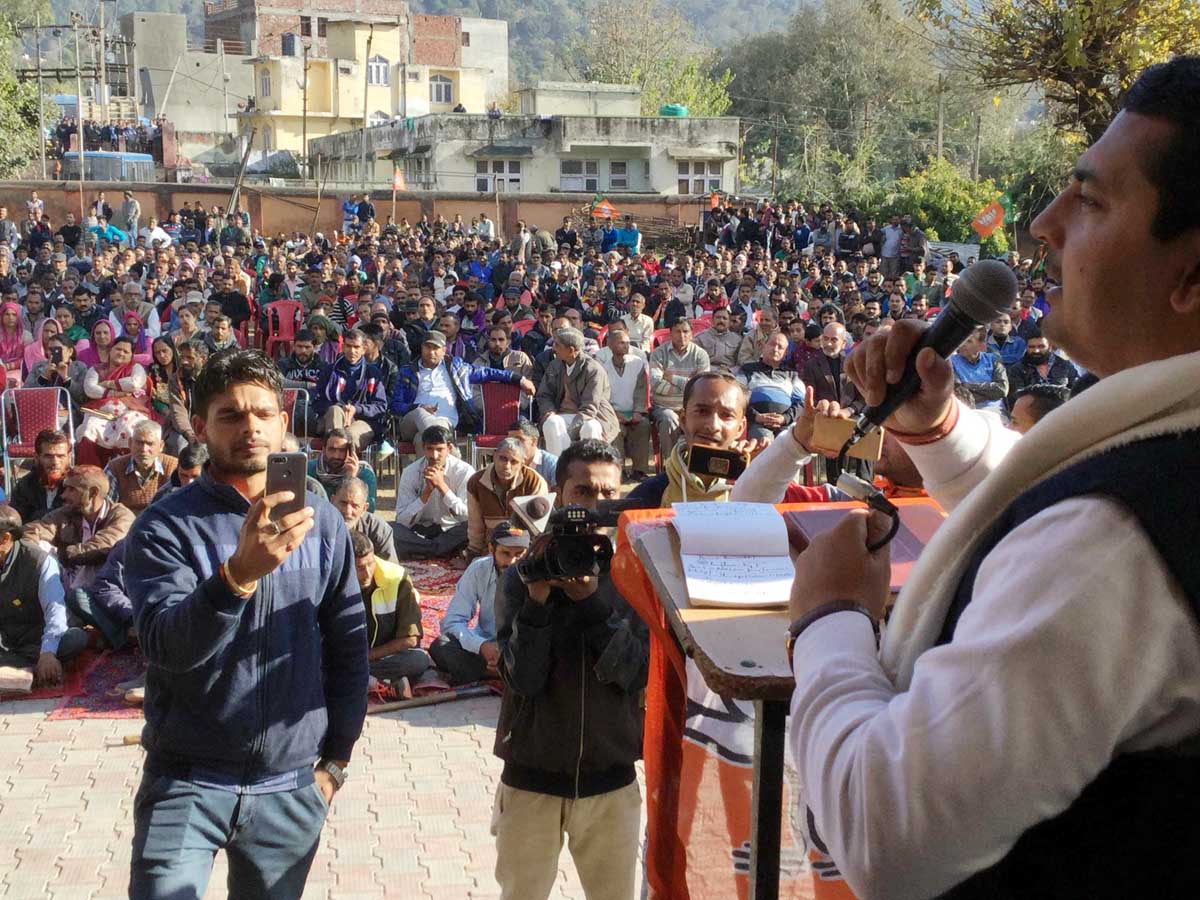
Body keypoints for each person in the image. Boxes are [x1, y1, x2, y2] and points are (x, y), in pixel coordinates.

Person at [786, 57, 1200, 899]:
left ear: (1190, 275)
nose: (1045, 225)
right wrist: (934, 430)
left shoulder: (1114, 543)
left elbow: (884, 830)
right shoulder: (1152, 471)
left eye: (1090, 201)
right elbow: (1043, 505)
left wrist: (830, 622)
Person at [123, 348, 367, 899]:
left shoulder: (322, 523)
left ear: (284, 423)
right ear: (203, 425)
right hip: (186, 780)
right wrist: (236, 576)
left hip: (291, 786)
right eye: (230, 415)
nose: (249, 428)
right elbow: (166, 646)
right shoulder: (166, 527)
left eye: (262, 413)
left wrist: (336, 762)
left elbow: (347, 651)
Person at [491, 439, 648, 900]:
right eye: (582, 492)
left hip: (611, 779)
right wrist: (539, 598)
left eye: (606, 493)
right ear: (559, 494)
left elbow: (636, 674)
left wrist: (592, 603)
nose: (595, 504)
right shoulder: (522, 575)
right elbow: (520, 680)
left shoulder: (634, 574)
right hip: (530, 777)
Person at [391, 331, 534, 455]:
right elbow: (395, 405)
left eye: (436, 348)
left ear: (444, 350)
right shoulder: (407, 371)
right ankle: (452, 454)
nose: (431, 352)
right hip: (411, 422)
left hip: (445, 422)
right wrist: (418, 406)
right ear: (422, 348)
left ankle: (429, 483)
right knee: (421, 413)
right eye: (427, 347)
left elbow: (488, 373)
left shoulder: (457, 369)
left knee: (421, 440)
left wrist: (519, 379)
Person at [430, 521, 529, 685]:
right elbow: (452, 621)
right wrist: (481, 646)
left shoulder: (535, 575)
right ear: (491, 550)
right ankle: (498, 673)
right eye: (505, 553)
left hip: (522, 647)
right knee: (441, 645)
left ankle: (487, 672)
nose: (512, 562)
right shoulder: (478, 569)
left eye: (519, 555)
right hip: (486, 647)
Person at [0, 504, 87, 686]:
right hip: (6, 637)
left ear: (5, 538)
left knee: (74, 639)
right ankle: (21, 667)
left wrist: (47, 652)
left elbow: (54, 610)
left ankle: (30, 664)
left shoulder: (38, 561)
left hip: (37, 636)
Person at [25, 465, 134, 591]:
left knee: (96, 563)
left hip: (105, 587)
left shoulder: (121, 516)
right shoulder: (66, 513)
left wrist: (60, 553)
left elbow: (102, 547)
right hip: (65, 581)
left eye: (72, 490)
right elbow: (33, 531)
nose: (63, 495)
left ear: (93, 492)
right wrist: (37, 548)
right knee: (39, 547)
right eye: (65, 488)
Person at [351, 530, 430, 694]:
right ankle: (380, 683)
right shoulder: (330, 579)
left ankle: (364, 680)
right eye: (359, 568)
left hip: (381, 655)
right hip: (344, 656)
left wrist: (366, 657)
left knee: (418, 660)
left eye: (370, 564)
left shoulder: (396, 578)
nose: (367, 573)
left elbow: (409, 639)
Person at [536, 327, 621, 457]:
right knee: (552, 423)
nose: (553, 348)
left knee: (590, 428)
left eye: (557, 345)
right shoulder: (555, 365)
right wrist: (549, 411)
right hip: (562, 414)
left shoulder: (593, 370)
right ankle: (559, 471)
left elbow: (589, 408)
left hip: (593, 416)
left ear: (571, 350)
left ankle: (589, 471)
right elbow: (544, 395)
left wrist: (570, 432)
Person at [393, 424, 474, 559]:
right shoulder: (411, 472)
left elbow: (467, 517)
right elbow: (402, 520)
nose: (434, 455)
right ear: (423, 448)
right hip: (420, 531)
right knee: (390, 530)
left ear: (449, 448)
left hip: (450, 530)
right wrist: (426, 493)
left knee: (470, 529)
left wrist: (442, 487)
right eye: (430, 449)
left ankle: (424, 551)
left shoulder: (464, 471)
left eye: (439, 449)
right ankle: (439, 551)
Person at [465, 437, 548, 559]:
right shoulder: (476, 482)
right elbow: (475, 526)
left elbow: (537, 529)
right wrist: (473, 554)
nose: (506, 466)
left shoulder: (534, 481)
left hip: (523, 549)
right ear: (494, 456)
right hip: (491, 548)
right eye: (502, 459)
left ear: (522, 463)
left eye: (513, 462)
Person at [312, 328, 388, 451]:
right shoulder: (329, 370)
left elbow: (380, 407)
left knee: (350, 436)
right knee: (335, 411)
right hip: (331, 419)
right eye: (348, 346)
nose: (352, 351)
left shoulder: (373, 373)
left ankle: (342, 465)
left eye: (356, 347)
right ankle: (333, 461)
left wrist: (355, 410)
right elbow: (316, 403)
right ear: (343, 347)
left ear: (364, 349)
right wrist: (343, 409)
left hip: (362, 421)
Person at [648, 319, 711, 458]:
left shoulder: (700, 355)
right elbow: (656, 385)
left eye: (685, 331)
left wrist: (672, 378)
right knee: (668, 419)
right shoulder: (659, 353)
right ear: (670, 333)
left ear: (692, 334)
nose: (681, 335)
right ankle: (670, 467)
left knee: (704, 420)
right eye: (677, 331)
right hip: (663, 407)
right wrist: (689, 384)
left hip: (691, 408)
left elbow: (701, 388)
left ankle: (694, 466)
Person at [599, 328, 652, 478]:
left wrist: (638, 411)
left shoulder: (638, 363)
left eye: (628, 343)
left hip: (634, 411)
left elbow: (641, 391)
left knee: (643, 425)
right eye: (621, 343)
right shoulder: (603, 369)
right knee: (614, 429)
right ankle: (618, 471)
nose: (626, 346)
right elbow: (602, 397)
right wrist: (615, 415)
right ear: (610, 344)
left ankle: (640, 470)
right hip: (614, 413)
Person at [736, 332, 806, 440]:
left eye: (780, 347)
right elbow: (738, 397)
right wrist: (756, 416)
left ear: (785, 353)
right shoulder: (747, 370)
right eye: (772, 344)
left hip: (785, 425)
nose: (775, 349)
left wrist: (784, 418)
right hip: (756, 423)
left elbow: (801, 402)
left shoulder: (792, 375)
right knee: (765, 442)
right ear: (764, 346)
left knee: (787, 446)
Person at [103, 421, 179, 515]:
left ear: (161, 446)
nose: (143, 449)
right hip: (126, 525)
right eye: (139, 443)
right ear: (130, 443)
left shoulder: (174, 467)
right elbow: (106, 510)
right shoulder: (115, 468)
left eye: (150, 444)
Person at [307, 428, 379, 511]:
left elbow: (369, 510)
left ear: (351, 452)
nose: (336, 456)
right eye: (332, 449)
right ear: (324, 449)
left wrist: (352, 480)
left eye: (342, 451)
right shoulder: (309, 469)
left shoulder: (365, 474)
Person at [1004, 328, 1079, 408]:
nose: (1036, 351)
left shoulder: (1065, 365)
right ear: (1026, 347)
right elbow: (1017, 397)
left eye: (1041, 346)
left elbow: (1077, 390)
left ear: (1050, 346)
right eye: (1032, 347)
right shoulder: (1017, 369)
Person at [9, 429, 71, 524]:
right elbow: (16, 524)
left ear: (69, 458)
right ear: (37, 457)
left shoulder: (76, 487)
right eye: (48, 456)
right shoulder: (24, 486)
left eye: (61, 456)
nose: (55, 462)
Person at [331, 477, 397, 562]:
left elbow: (391, 570)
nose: (347, 511)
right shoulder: (319, 526)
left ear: (364, 509)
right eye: (343, 503)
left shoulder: (378, 529)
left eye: (355, 506)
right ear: (332, 501)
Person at [951, 325, 1009, 413]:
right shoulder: (952, 363)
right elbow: (962, 395)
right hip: (970, 412)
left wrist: (969, 386)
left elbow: (1002, 389)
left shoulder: (993, 359)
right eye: (962, 340)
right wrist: (990, 393)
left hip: (996, 411)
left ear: (981, 344)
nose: (963, 344)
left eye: (969, 341)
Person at [801, 322, 860, 407]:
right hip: (823, 415)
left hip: (851, 416)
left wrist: (850, 410)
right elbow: (810, 397)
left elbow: (862, 396)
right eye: (825, 339)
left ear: (843, 343)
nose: (828, 344)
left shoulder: (853, 364)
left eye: (834, 340)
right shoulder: (811, 365)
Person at [506, 419, 557, 487]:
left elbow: (558, 493)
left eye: (519, 440)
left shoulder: (552, 464)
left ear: (534, 441)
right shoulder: (506, 463)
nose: (513, 445)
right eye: (510, 440)